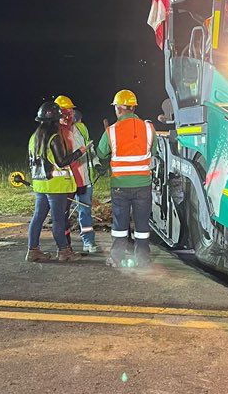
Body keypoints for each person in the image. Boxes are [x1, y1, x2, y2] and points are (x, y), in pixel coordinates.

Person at [95, 88, 157, 268]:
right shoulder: (148, 127)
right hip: (143, 184)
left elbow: (101, 153)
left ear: (119, 109)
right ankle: (143, 259)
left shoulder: (111, 131)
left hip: (120, 186)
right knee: (142, 224)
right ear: (133, 108)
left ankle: (117, 258)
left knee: (120, 224)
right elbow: (153, 151)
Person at [26, 101, 88, 263]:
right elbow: (62, 162)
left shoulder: (34, 138)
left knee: (38, 217)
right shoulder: (54, 137)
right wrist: (79, 152)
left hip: (40, 185)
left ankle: (33, 250)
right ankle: (64, 251)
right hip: (56, 185)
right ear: (55, 121)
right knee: (59, 219)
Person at [55, 94, 99, 254]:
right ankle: (66, 247)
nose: (69, 115)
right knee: (63, 215)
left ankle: (88, 241)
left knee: (85, 212)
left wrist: (97, 163)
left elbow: (89, 148)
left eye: (71, 111)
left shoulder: (81, 128)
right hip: (67, 182)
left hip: (84, 179)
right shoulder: (55, 133)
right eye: (65, 112)